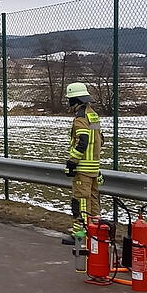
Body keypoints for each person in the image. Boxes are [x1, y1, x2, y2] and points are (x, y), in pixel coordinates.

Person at [60, 82, 104, 246]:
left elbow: (82, 141)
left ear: (75, 100)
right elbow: (101, 140)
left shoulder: (80, 118)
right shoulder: (93, 115)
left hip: (83, 169)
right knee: (93, 202)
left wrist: (72, 161)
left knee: (80, 202)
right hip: (94, 167)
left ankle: (79, 236)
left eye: (70, 100)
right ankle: (95, 233)